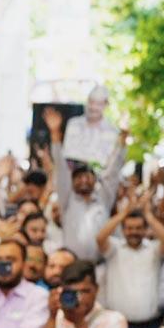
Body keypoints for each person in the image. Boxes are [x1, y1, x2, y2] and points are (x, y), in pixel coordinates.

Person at [49, 99, 125, 263]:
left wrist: (123, 141)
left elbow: (114, 170)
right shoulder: (66, 199)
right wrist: (55, 134)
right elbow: (61, 168)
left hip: (102, 267)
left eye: (87, 176)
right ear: (72, 181)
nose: (83, 180)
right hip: (72, 265)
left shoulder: (104, 198)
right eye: (78, 177)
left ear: (94, 179)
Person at [97, 198, 164, 328]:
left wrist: (148, 215)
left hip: (152, 323)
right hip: (119, 324)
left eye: (138, 228)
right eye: (129, 228)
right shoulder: (114, 249)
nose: (134, 232)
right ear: (123, 230)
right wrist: (123, 214)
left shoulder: (153, 249)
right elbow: (100, 238)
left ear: (145, 230)